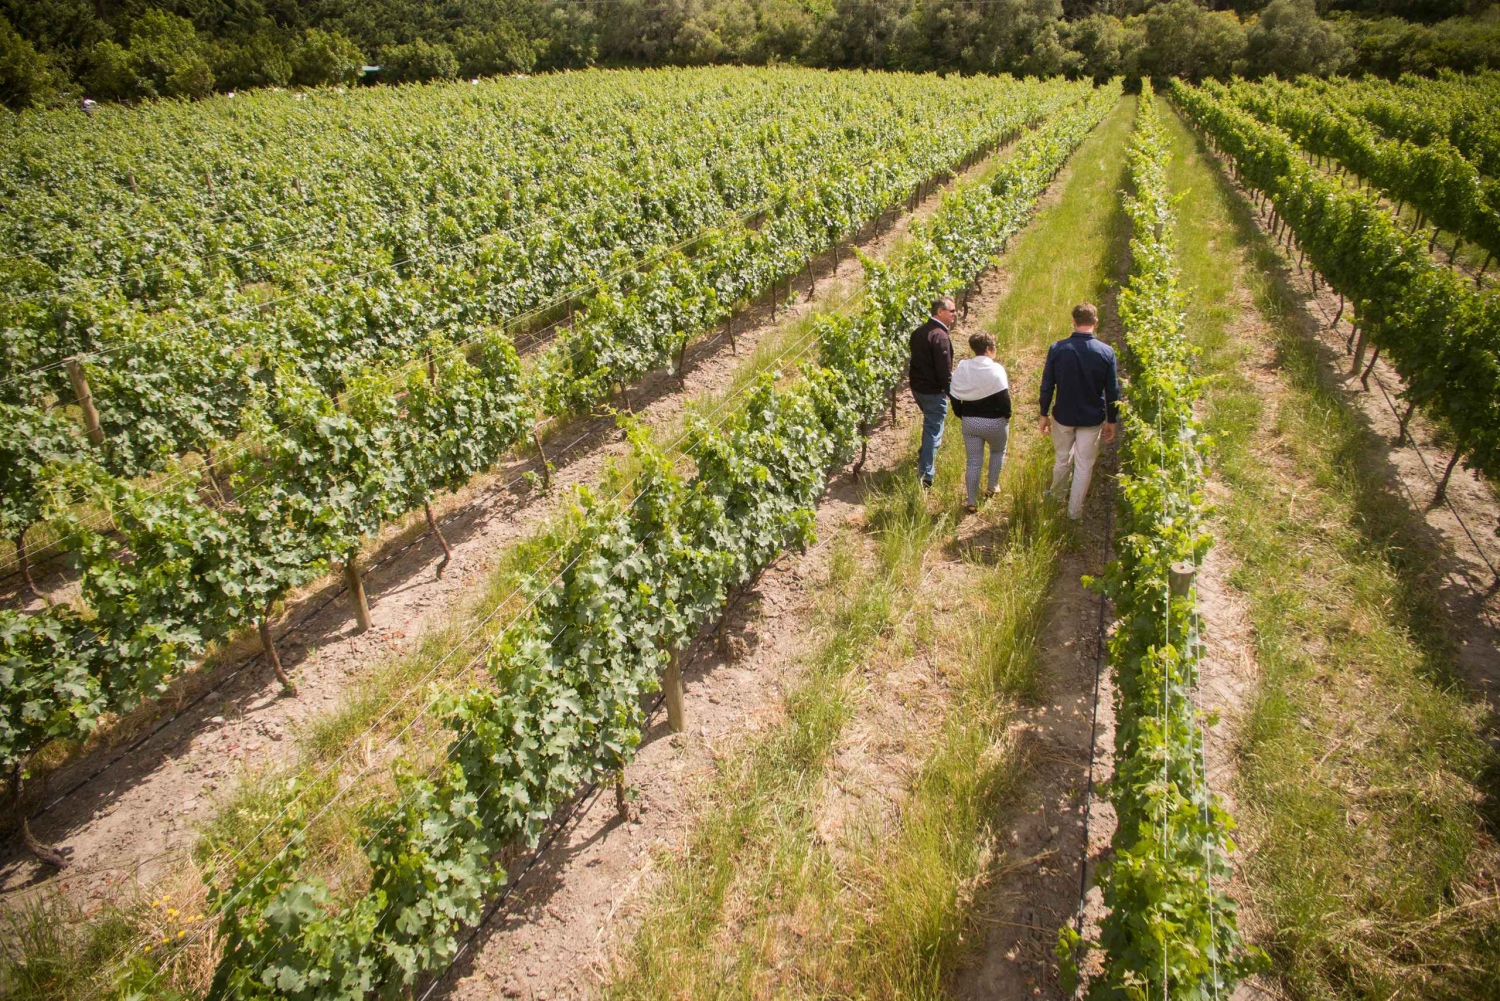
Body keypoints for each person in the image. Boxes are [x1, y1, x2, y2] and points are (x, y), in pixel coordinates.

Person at [1039, 303, 1118, 521]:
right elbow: (1112, 390)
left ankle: (1055, 497)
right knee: (1084, 465)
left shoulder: (1058, 348)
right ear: (1095, 322)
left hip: (1063, 415)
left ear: (1073, 322)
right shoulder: (1106, 352)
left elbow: (1047, 385)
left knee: (1062, 458)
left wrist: (1043, 412)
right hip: (1092, 418)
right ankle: (1074, 513)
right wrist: (1112, 420)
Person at [949, 331, 1011, 514]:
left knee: (973, 462)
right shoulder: (996, 369)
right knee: (998, 451)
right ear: (990, 349)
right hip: (995, 422)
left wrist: (960, 413)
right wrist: (1007, 416)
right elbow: (1004, 399)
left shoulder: (962, 367)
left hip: (971, 422)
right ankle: (992, 487)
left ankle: (971, 501)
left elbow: (953, 393)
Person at [909, 296, 956, 488]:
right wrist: (952, 394)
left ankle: (923, 456)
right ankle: (926, 475)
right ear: (940, 312)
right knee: (933, 430)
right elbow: (944, 371)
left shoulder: (919, 332)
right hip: (932, 392)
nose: (955, 314)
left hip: (918, 389)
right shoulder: (940, 336)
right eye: (951, 311)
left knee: (930, 423)